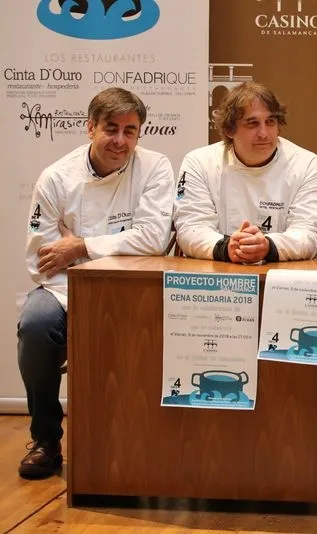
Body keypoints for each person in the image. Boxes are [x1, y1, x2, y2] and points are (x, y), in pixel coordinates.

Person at [18, 87, 174, 479]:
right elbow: (43, 258)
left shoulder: (155, 167)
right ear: (90, 128)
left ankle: (152, 443)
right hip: (65, 289)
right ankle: (46, 439)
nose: (120, 141)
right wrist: (83, 258)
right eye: (111, 129)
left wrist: (81, 245)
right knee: (36, 326)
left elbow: (154, 238)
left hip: (139, 287)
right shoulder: (56, 178)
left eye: (130, 131)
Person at [175, 81, 317, 263]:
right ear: (229, 129)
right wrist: (226, 247)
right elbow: (190, 228)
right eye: (252, 124)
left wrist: (267, 246)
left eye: (270, 122)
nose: (264, 133)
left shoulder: (308, 165)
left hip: (280, 279)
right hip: (216, 274)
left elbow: (309, 234)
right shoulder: (199, 162)